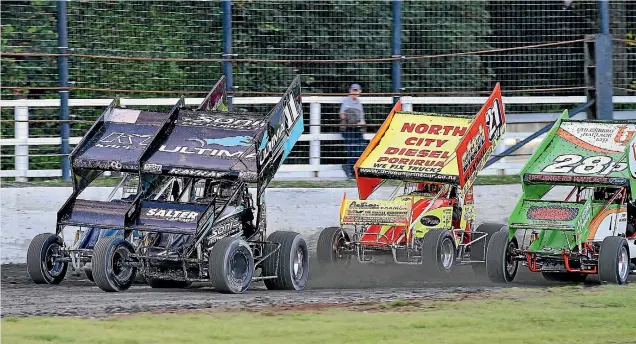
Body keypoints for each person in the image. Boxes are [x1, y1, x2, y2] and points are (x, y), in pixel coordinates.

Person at [339, 83, 366, 178]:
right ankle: (350, 169)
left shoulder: (359, 103)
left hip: (357, 128)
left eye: (356, 91)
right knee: (352, 148)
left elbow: (361, 117)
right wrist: (352, 117)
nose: (355, 93)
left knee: (361, 147)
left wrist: (361, 124)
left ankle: (352, 169)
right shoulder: (346, 101)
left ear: (360, 92)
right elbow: (342, 115)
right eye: (353, 91)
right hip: (348, 128)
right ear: (350, 91)